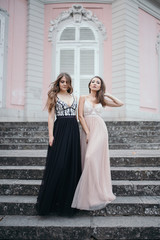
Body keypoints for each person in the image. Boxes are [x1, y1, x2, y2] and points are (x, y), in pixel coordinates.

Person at [71, 76, 123, 211]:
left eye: (98, 82)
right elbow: (80, 116)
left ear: (100, 86)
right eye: (93, 81)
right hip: (87, 130)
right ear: (89, 84)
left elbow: (119, 103)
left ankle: (98, 193)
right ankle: (89, 194)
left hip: (100, 130)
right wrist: (87, 132)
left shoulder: (102, 100)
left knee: (92, 158)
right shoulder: (82, 97)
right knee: (87, 159)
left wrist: (108, 94)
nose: (95, 84)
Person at [36, 73, 81, 216]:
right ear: (58, 82)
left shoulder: (75, 97)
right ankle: (51, 202)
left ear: (70, 83)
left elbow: (79, 116)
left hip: (73, 130)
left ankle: (68, 203)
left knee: (70, 165)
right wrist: (51, 135)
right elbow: (51, 116)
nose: (64, 84)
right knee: (59, 164)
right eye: (62, 81)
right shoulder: (53, 97)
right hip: (60, 129)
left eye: (67, 82)